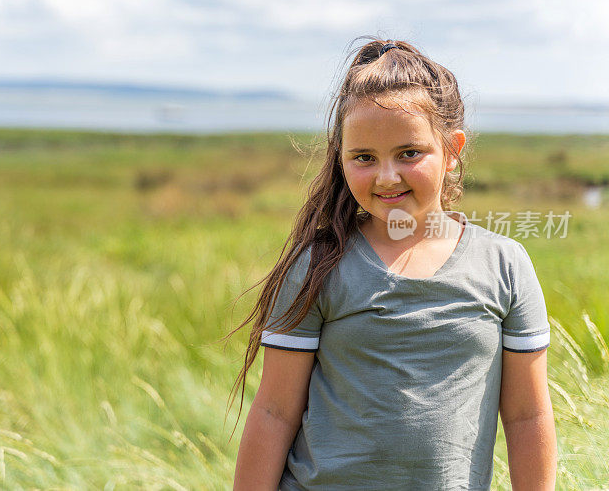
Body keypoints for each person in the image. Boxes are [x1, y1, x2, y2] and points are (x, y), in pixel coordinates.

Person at [226, 37, 557, 490]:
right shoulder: (320, 265)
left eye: (409, 153)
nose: (386, 177)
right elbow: (273, 411)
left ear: (452, 149)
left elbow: (527, 416)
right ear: (341, 157)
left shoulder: (505, 265)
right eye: (364, 157)